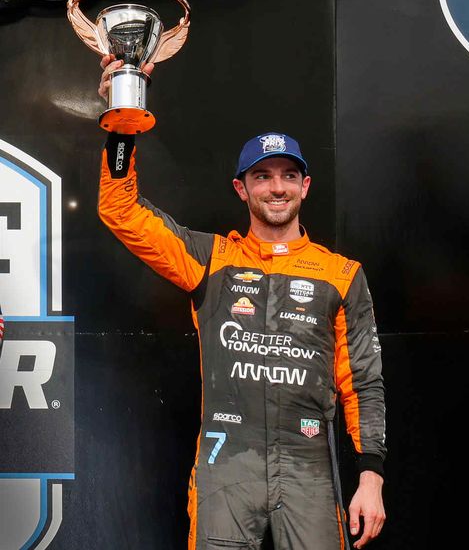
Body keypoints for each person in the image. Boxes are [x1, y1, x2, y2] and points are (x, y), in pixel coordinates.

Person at [97, 56, 387, 550]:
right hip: (226, 465)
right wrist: (123, 124)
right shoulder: (210, 259)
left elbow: (362, 381)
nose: (277, 187)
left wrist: (372, 477)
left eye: (288, 176)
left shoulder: (343, 274)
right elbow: (121, 211)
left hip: (309, 469)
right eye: (263, 176)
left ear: (305, 186)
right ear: (241, 187)